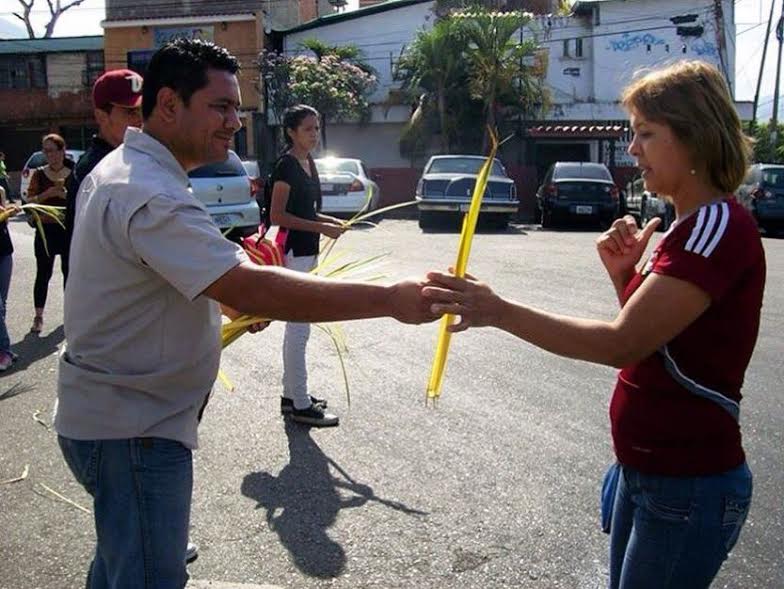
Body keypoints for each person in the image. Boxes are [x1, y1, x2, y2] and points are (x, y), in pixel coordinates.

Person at [56, 38, 443, 589]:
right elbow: (248, 286)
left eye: (237, 108)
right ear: (168, 104)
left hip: (124, 419)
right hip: (132, 432)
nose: (234, 122)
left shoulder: (135, 172)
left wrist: (230, 292)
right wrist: (389, 300)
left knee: (119, 568)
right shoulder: (148, 191)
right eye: (220, 106)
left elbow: (199, 277)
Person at [425, 60, 764, 589]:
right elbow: (662, 344)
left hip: (686, 481)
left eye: (646, 134)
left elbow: (622, 343)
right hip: (649, 471)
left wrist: (498, 310)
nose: (633, 150)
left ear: (694, 138)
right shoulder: (688, 227)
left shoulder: (714, 228)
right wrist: (626, 277)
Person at [270, 104, 349, 427]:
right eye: (308, 129)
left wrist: (332, 222)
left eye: (317, 128)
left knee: (298, 329)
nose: (314, 135)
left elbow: (307, 211)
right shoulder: (286, 165)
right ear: (291, 131)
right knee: (299, 329)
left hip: (308, 253)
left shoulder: (308, 162)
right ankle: (300, 403)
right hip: (292, 254)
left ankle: (292, 397)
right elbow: (277, 216)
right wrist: (322, 228)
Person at [67, 69, 144, 244]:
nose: (140, 119)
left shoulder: (133, 158)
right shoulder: (92, 171)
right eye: (130, 112)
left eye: (142, 110)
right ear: (101, 116)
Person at [26, 133, 72, 333]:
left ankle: (71, 315)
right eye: (46, 151)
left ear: (62, 151)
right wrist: (47, 194)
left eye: (52, 150)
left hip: (67, 230)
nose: (49, 155)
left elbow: (85, 200)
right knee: (43, 273)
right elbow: (28, 202)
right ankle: (38, 316)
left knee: (69, 273)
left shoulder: (74, 172)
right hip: (45, 230)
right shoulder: (38, 174)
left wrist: (66, 196)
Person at [0, 185, 19, 371]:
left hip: (4, 252)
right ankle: (4, 351)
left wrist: (8, 213)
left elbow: (3, 222)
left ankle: (2, 350)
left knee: (2, 304)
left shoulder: (0, 190)